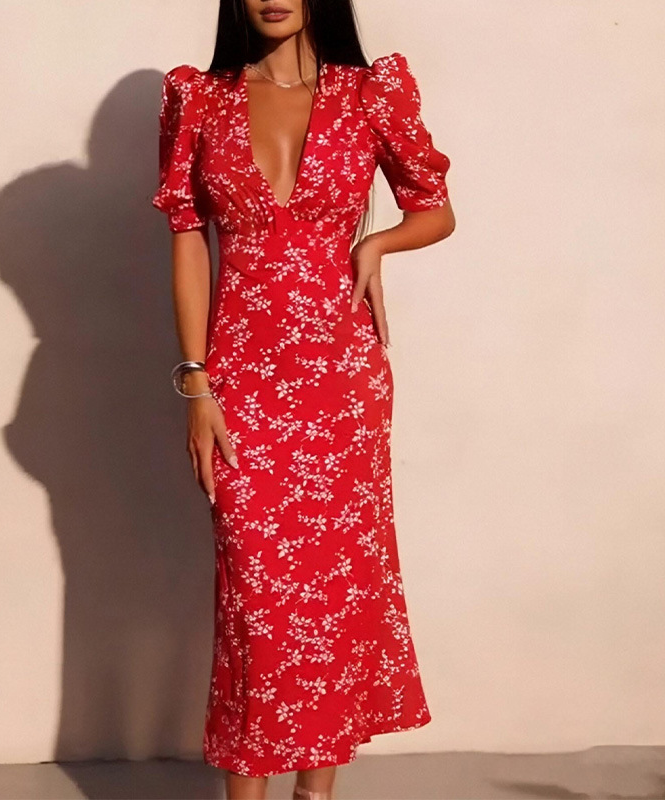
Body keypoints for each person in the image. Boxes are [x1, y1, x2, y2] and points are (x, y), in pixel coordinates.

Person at [152, 1, 455, 798]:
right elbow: (188, 239)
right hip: (242, 378)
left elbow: (434, 207)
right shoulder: (200, 99)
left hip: (341, 379)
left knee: (334, 590)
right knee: (256, 600)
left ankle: (316, 793)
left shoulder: (370, 93)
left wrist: (377, 242)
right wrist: (196, 381)